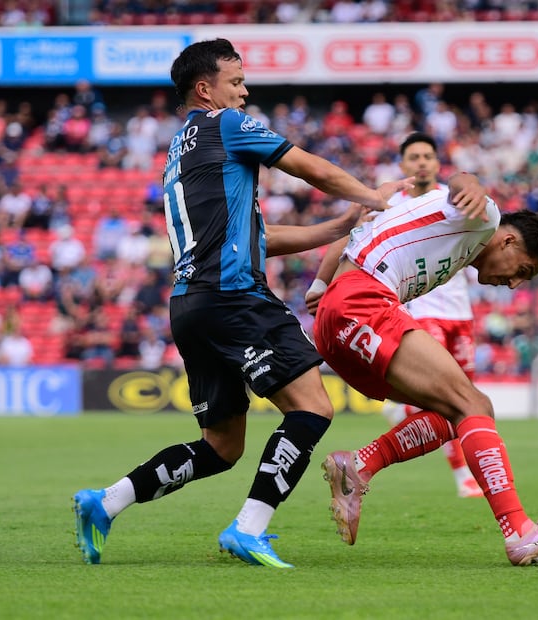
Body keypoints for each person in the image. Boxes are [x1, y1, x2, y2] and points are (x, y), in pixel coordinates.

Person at [72, 38, 411, 569]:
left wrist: (339, 226)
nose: (245, 91)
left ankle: (106, 501)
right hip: (234, 297)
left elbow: (256, 236)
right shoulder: (226, 124)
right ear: (205, 90)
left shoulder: (178, 152)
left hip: (190, 305)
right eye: (236, 81)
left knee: (222, 446)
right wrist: (373, 197)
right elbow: (308, 166)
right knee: (313, 407)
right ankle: (248, 529)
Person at [306, 173, 538, 567]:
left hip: (337, 320)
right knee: (475, 405)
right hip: (361, 302)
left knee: (454, 414)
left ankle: (359, 465)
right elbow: (463, 186)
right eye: (523, 270)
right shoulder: (485, 218)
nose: (514, 284)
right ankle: (519, 532)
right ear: (509, 241)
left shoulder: (459, 239)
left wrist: (319, 285)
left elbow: (358, 230)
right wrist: (472, 184)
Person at [380, 132, 482, 499]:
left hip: (460, 312)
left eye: (427, 156)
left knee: (465, 397)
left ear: (438, 163)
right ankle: (463, 476)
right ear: (403, 165)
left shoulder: (453, 201)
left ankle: (405, 411)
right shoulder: (390, 205)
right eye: (414, 157)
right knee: (446, 396)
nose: (421, 162)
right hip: (421, 312)